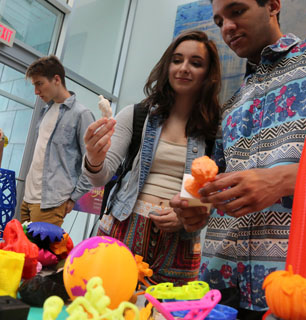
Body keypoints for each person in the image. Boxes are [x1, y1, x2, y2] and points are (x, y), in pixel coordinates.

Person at [171, 0, 306, 318]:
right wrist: (197, 209)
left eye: (237, 11)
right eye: (219, 21)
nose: (226, 27)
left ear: (272, 5)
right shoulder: (231, 103)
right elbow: (218, 186)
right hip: (224, 291)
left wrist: (283, 180)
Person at [83, 30, 221, 285]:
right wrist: (93, 156)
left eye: (196, 63)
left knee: (166, 312)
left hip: (180, 243)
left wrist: (187, 214)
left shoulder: (215, 131)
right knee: (103, 307)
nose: (184, 68)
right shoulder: (135, 115)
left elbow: (214, 193)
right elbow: (99, 177)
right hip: (123, 226)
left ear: (208, 75)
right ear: (167, 65)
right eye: (177, 60)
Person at [21, 55, 95, 227]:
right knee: (21, 252)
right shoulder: (45, 111)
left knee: (41, 253)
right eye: (34, 85)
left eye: (39, 84)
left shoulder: (81, 114)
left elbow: (92, 162)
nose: (36, 91)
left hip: (52, 202)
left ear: (56, 79)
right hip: (28, 198)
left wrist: (73, 197)